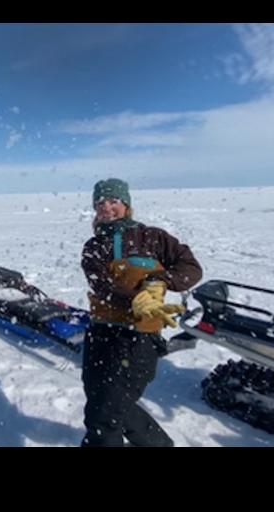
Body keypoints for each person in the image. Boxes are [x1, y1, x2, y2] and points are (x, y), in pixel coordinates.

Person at [81, 178, 202, 447]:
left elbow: (191, 267)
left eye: (113, 201)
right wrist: (136, 299)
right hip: (101, 333)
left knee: (104, 414)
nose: (107, 207)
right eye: (100, 202)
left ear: (127, 204)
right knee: (103, 400)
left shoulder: (154, 237)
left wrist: (162, 280)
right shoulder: (94, 246)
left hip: (139, 339)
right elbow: (102, 285)